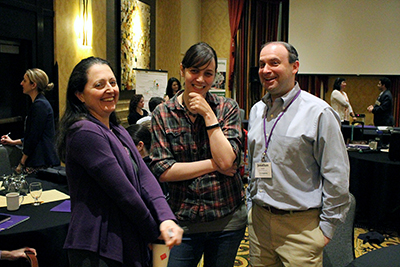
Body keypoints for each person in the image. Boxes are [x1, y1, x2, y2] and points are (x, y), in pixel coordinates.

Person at [57, 56, 183, 267]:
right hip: (98, 246)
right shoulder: (84, 131)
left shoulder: (118, 131)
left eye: (112, 83)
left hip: (125, 237)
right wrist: (154, 232)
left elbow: (145, 176)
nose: (110, 89)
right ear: (79, 95)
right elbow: (124, 193)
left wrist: (165, 217)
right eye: (99, 85)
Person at [246, 41, 350, 267]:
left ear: (295, 67)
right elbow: (252, 163)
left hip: (301, 229)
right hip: (260, 223)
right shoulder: (256, 111)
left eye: (275, 63)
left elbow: (337, 175)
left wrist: (326, 230)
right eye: (262, 64)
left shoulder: (318, 112)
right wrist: (250, 206)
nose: (266, 70)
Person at [150, 42, 246, 267]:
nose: (200, 80)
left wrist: (208, 115)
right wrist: (215, 165)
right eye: (194, 71)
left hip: (227, 220)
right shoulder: (163, 113)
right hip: (183, 222)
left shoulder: (227, 108)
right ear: (182, 70)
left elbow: (227, 160)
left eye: (208, 74)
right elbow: (164, 170)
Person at [0, 68, 60, 174]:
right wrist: (13, 142)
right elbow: (33, 135)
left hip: (41, 162)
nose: (21, 83)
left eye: (25, 80)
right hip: (42, 160)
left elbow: (33, 138)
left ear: (33, 85)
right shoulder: (39, 104)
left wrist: (21, 163)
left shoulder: (40, 105)